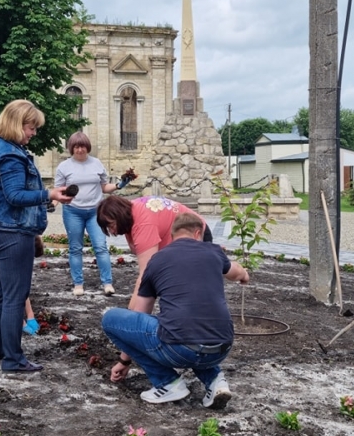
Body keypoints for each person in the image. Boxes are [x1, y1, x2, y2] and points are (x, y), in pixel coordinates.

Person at [101, 212, 249, 408]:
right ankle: (215, 381)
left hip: (179, 350)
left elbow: (141, 313)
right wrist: (244, 276)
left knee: (110, 318)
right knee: (199, 324)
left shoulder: (158, 259)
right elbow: (237, 272)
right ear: (198, 233)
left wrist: (125, 360)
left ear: (172, 236)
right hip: (222, 347)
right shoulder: (213, 251)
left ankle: (167, 383)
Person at [0, 99, 73, 373]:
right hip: (12, 233)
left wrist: (44, 198)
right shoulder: (11, 155)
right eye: (31, 127)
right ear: (18, 124)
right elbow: (14, 196)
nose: (34, 133)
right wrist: (50, 194)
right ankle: (13, 359)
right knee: (15, 296)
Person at [54, 132, 133, 296]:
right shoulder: (64, 167)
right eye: (76, 146)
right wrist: (53, 203)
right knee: (75, 248)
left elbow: (105, 187)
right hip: (73, 211)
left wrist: (120, 185)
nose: (80, 150)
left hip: (95, 212)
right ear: (71, 148)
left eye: (82, 146)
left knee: (101, 247)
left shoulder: (96, 163)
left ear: (87, 147)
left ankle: (107, 283)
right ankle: (78, 284)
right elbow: (58, 192)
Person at [96, 195, 211, 305]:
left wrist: (133, 314)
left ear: (119, 216)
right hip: (179, 245)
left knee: (191, 288)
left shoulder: (143, 224)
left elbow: (147, 275)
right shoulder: (131, 212)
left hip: (196, 236)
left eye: (111, 225)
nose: (112, 232)